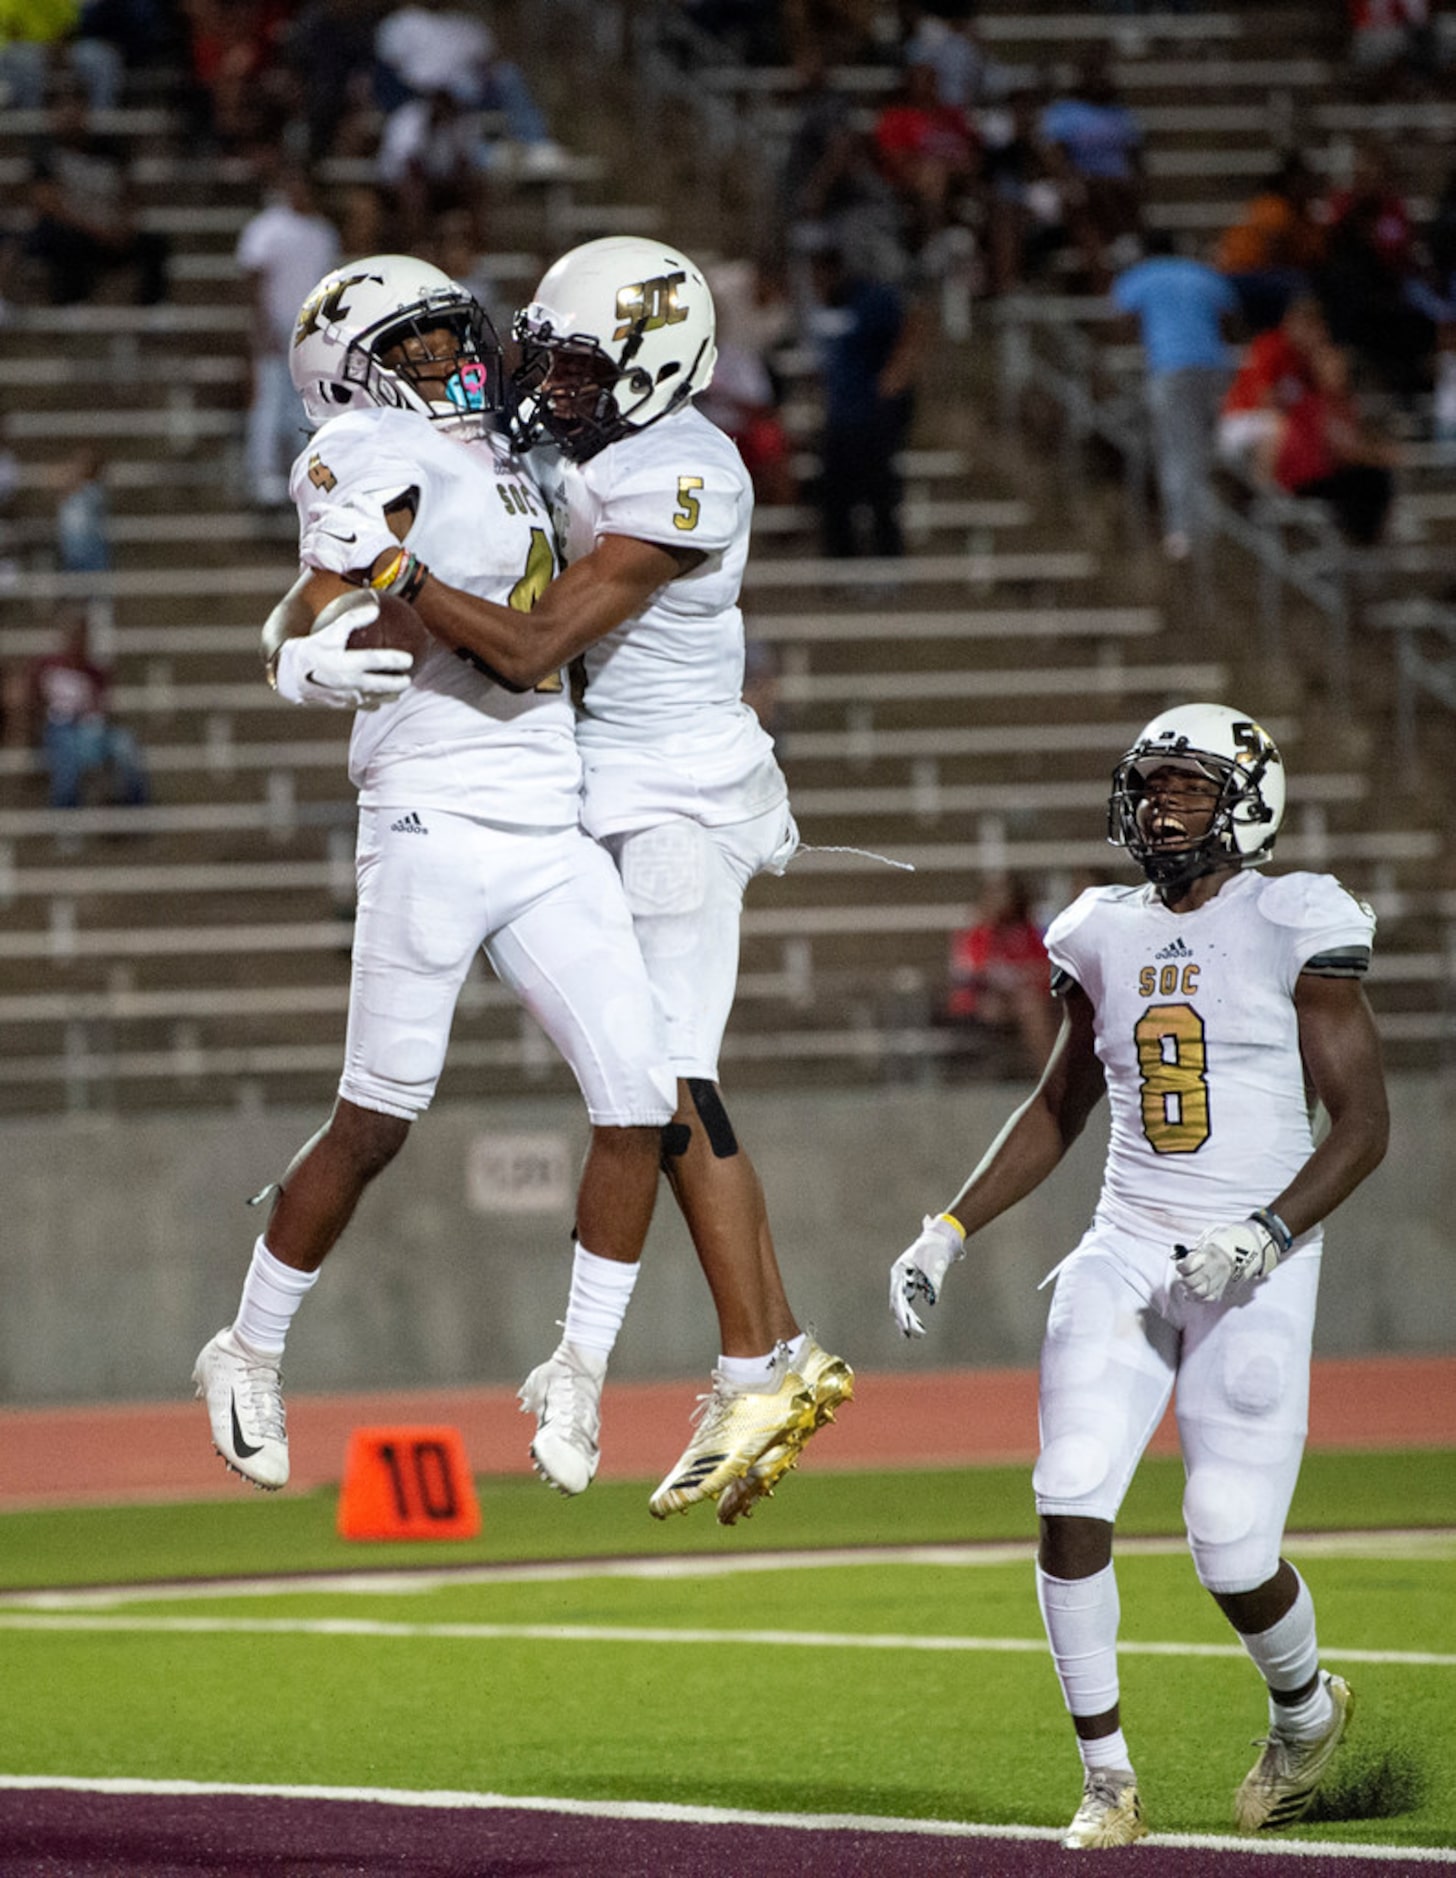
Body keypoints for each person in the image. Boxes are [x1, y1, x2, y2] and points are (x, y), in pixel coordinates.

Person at [300, 237, 853, 1525]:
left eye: (581, 366)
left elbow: (535, 643)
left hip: (670, 799)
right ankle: (776, 1351)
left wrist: (398, 573)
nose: (551, 383)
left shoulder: (683, 468)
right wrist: (311, 634)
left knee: (664, 1084)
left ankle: (756, 1365)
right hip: (598, 785)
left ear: (656, 372)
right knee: (663, 1080)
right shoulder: (590, 445)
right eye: (546, 354)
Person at [192, 254, 686, 1498]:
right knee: (376, 1118)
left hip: (546, 815)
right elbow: (315, 595)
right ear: (349, 374)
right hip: (429, 808)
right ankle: (246, 1346)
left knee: (641, 1097)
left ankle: (576, 1366)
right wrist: (295, 660)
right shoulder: (365, 447)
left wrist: (297, 651)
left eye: (446, 338)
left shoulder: (502, 455)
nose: (448, 362)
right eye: (412, 349)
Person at [889, 702, 1388, 1847]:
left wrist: (1263, 1234)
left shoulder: (1292, 919)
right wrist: (947, 1228)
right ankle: (1107, 1780)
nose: (1161, 806)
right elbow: (1061, 1103)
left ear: (1247, 799)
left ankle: (1306, 1709)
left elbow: (1362, 1128)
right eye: (1151, 785)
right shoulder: (1100, 928)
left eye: (1187, 787)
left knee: (1228, 1540)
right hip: (1123, 1246)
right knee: (1068, 1487)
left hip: (1255, 1262)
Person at [1111, 230, 1239, 558]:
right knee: (1209, 445)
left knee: (1178, 449)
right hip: (1213, 367)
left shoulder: (1144, 275)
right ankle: (1215, 518)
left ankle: (1185, 530)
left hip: (1172, 367)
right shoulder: (1201, 273)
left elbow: (1121, 315)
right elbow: (1229, 313)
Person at [805, 237, 926, 558]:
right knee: (835, 497)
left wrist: (896, 374)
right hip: (840, 417)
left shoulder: (872, 299)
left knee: (880, 495)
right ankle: (841, 566)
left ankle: (888, 563)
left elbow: (913, 322)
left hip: (871, 416)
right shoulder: (828, 307)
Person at [235, 164, 341, 509]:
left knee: (306, 405)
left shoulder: (323, 232)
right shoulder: (267, 228)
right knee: (269, 400)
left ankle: (306, 471)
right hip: (277, 326)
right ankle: (263, 474)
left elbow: (329, 286)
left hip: (310, 329)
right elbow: (254, 279)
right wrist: (261, 325)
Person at [29, 610, 149, 808]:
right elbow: (34, 701)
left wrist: (94, 716)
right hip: (58, 729)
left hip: (90, 730)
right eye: (74, 636)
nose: (78, 641)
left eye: (83, 636)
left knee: (125, 743)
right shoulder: (47, 665)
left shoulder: (96, 672)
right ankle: (65, 815)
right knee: (66, 753)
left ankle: (137, 809)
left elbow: (103, 708)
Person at [941, 872, 1056, 1077]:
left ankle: (1052, 1074)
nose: (1000, 904)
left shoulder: (1026, 932)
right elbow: (971, 974)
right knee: (1022, 1005)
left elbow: (1043, 967)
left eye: (1005, 897)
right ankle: (1051, 1075)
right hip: (980, 1001)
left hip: (1024, 999)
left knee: (1032, 1005)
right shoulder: (976, 933)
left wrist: (1020, 976)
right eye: (994, 897)